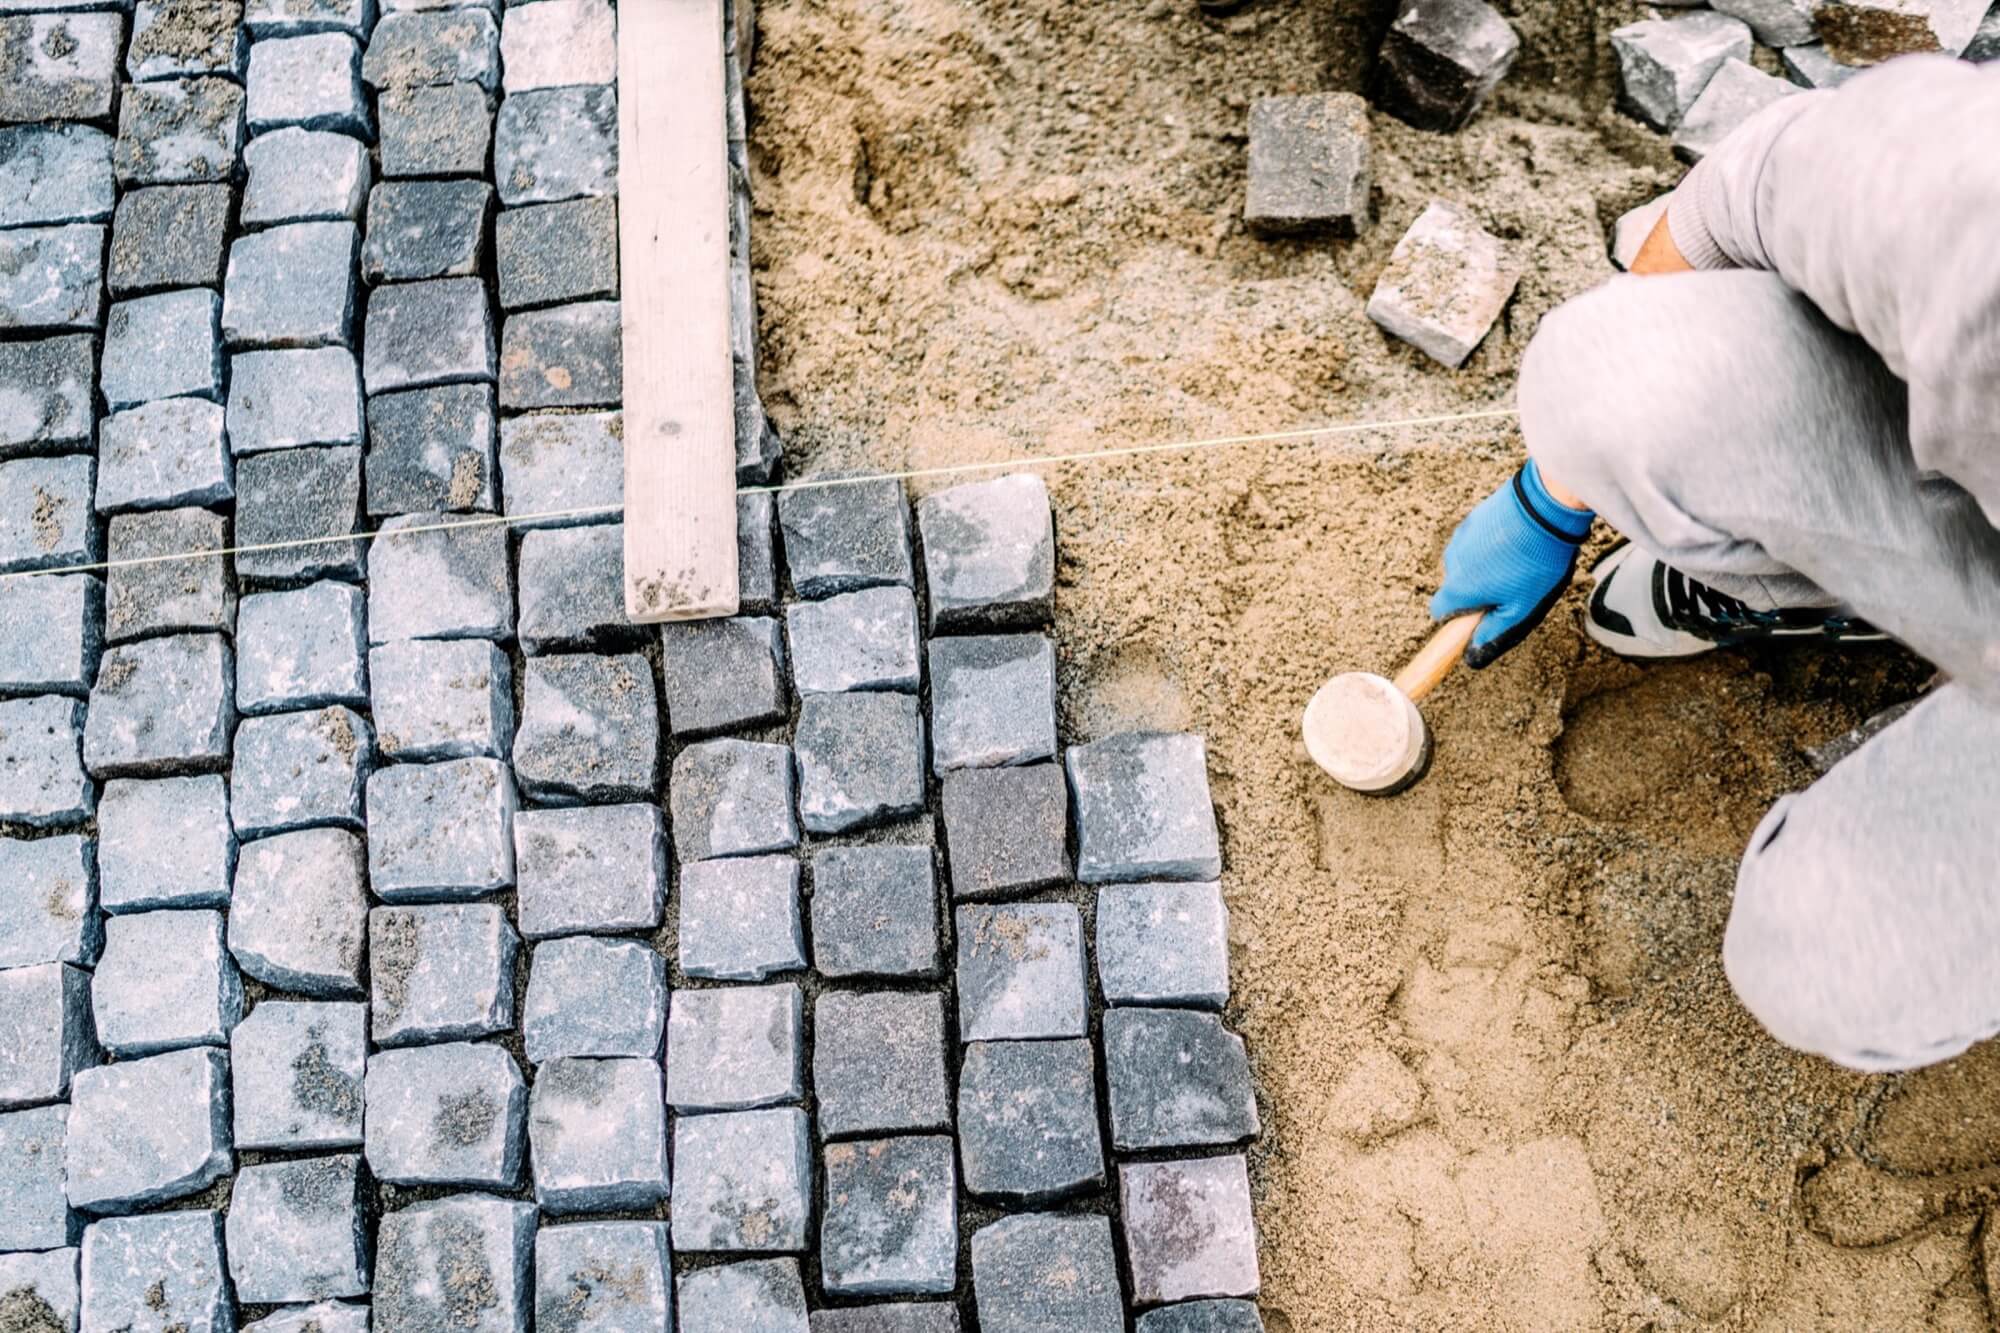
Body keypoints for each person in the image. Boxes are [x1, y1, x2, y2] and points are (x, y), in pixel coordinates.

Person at [1428, 54, 2000, 1073]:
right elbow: (1749, 185)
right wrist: (1546, 497)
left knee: (1831, 953)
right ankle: (1846, 593)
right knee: (1605, 381)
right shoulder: (1970, 212)